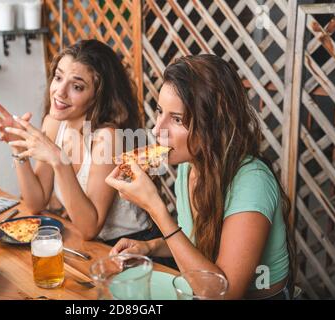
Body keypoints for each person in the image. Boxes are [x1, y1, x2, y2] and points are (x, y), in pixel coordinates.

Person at [106, 54, 297, 300]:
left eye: (176, 119)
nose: (156, 129)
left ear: (213, 125)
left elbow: (223, 293)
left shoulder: (252, 182)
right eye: (159, 112)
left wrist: (155, 208)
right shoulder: (189, 167)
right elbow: (195, 241)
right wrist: (150, 247)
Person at [0, 39, 155, 243]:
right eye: (58, 77)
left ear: (96, 96)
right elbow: (36, 202)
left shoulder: (108, 137)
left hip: (131, 244)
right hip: (90, 246)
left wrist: (59, 160)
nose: (60, 91)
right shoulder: (54, 123)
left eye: (77, 86)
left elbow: (90, 228)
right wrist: (17, 148)